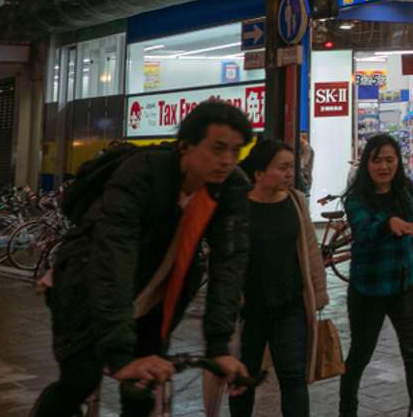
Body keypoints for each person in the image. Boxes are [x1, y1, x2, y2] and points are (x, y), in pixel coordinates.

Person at [33, 103, 253, 417]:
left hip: (157, 297)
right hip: (87, 286)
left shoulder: (231, 188)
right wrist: (121, 354)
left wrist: (219, 348)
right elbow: (113, 256)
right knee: (79, 380)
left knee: (142, 392)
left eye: (236, 151)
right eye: (218, 149)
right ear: (186, 145)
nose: (227, 161)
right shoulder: (144, 172)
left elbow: (229, 264)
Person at [339, 134, 413, 417]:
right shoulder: (356, 197)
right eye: (377, 161)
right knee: (360, 354)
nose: (384, 166)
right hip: (368, 289)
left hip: (406, 284)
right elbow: (363, 229)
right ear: (366, 164)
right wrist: (389, 224)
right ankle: (347, 408)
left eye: (389, 159)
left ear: (398, 161)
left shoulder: (406, 190)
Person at [232, 141, 329, 417]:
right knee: (244, 378)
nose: (289, 173)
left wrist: (318, 292)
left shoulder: (296, 201)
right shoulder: (239, 206)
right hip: (249, 310)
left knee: (293, 377)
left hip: (290, 306)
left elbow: (310, 249)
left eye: (291, 167)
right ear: (259, 173)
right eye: (282, 167)